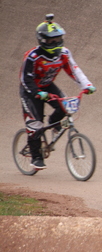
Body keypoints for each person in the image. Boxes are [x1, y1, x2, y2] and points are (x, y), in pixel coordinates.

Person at [20, 14, 96, 169]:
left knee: (65, 106)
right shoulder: (33, 56)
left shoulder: (64, 53)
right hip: (30, 91)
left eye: (57, 39)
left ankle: (54, 125)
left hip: (47, 86)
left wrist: (86, 85)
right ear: (42, 41)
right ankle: (36, 158)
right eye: (50, 40)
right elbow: (25, 79)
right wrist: (37, 92)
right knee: (35, 123)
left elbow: (74, 70)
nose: (55, 43)